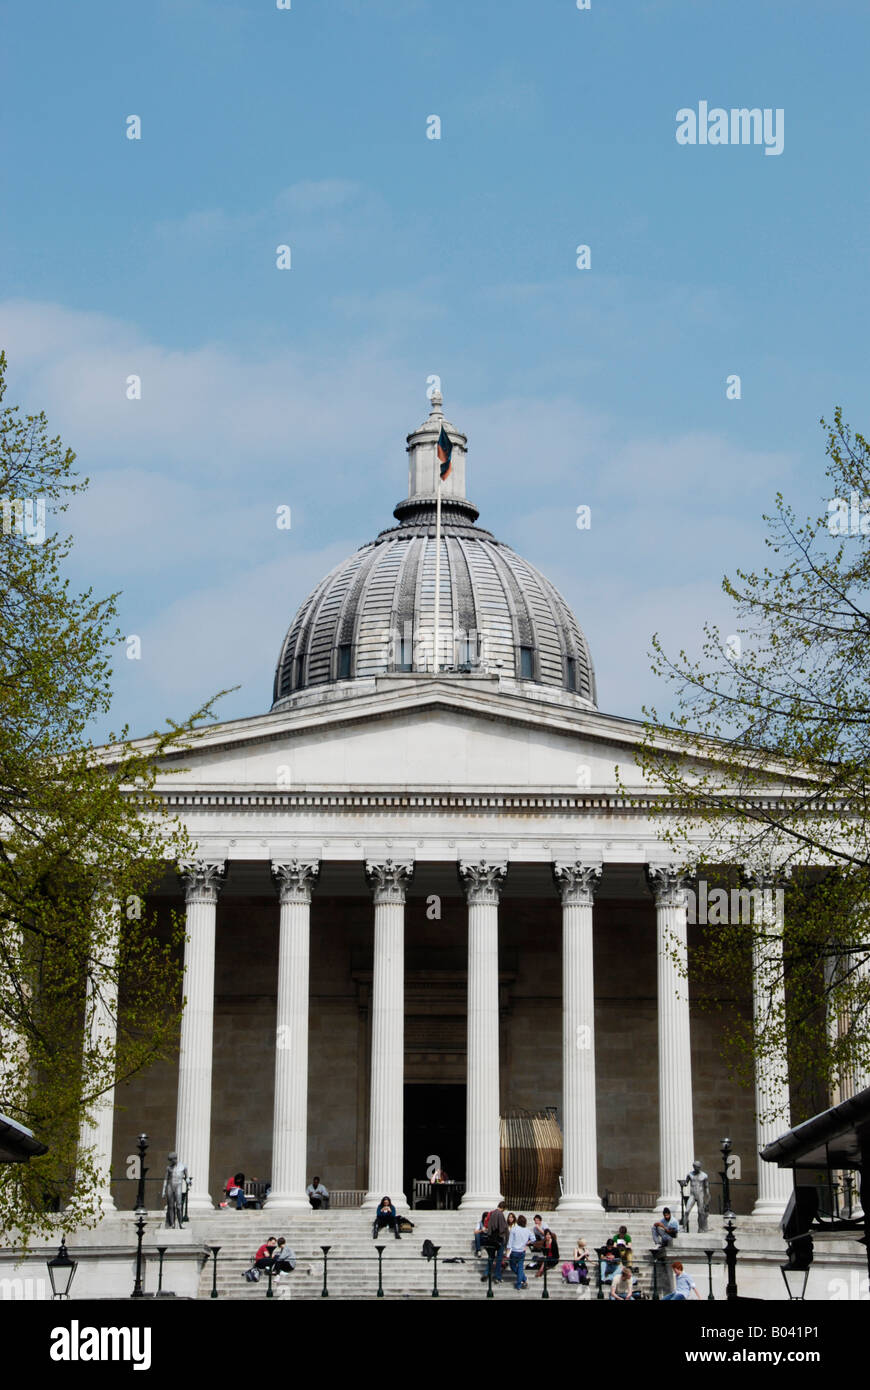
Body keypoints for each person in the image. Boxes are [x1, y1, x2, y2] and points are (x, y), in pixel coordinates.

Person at [482, 1201, 508, 1284]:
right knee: (499, 1259)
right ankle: (497, 1276)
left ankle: (486, 1273)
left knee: (491, 1257)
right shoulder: (500, 1214)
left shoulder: (492, 1213)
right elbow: (501, 1228)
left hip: (491, 1239)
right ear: (503, 1208)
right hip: (498, 1240)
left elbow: (489, 1226)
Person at [507, 1214, 535, 1290]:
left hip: (514, 1251)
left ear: (518, 1221)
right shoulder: (527, 1230)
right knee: (520, 1268)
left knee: (513, 1266)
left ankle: (523, 1279)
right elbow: (533, 1239)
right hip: (522, 1251)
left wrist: (507, 1251)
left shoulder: (514, 1229)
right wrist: (527, 1243)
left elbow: (510, 1242)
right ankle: (521, 1281)